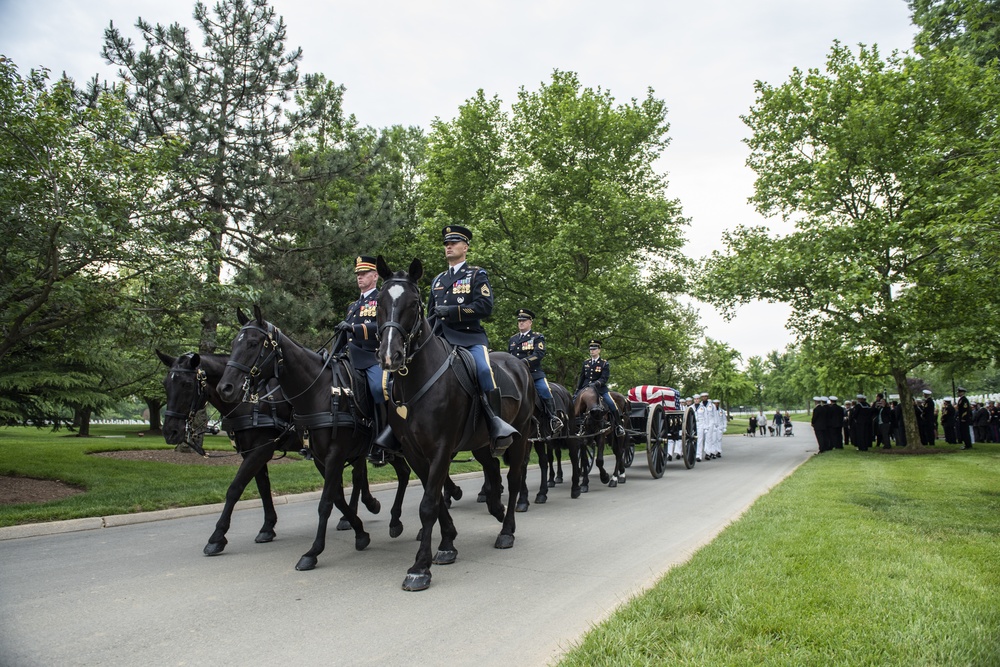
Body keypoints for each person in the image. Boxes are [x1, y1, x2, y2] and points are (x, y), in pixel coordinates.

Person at [426, 225, 517, 455]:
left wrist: (453, 311)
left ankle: (496, 424)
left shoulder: (477, 274)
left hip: (468, 337)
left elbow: (485, 306)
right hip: (440, 339)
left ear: (465, 247)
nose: (448, 246)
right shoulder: (437, 280)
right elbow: (429, 315)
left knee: (484, 371)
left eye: (454, 242)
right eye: (446, 243)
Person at [336, 256, 393, 463]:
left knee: (379, 389)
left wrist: (354, 328)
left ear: (375, 276)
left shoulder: (382, 299)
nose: (359, 277)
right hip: (350, 357)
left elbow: (381, 328)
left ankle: (383, 440)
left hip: (372, 357)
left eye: (364, 273)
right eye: (358, 274)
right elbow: (345, 336)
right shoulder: (353, 306)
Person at [508, 308, 562, 433]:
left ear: (530, 322)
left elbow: (539, 354)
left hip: (534, 373)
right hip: (515, 375)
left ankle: (553, 418)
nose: (521, 323)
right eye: (519, 321)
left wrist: (522, 363)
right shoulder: (513, 339)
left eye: (524, 320)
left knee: (545, 390)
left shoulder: (537, 337)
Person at [576, 339, 625, 437]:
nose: (592, 351)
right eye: (590, 349)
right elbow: (582, 377)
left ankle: (619, 426)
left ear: (599, 350)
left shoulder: (604, 363)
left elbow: (604, 378)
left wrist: (597, 383)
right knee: (573, 403)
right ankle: (577, 425)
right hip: (585, 389)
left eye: (594, 349)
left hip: (600, 389)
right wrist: (578, 389)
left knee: (612, 404)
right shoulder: (586, 363)